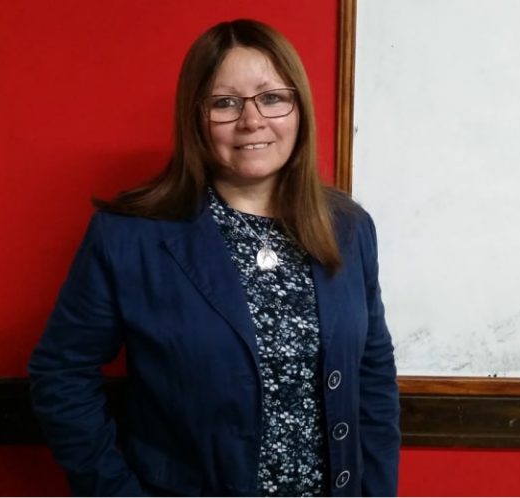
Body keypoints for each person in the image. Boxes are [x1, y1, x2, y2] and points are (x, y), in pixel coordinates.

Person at [28, 19, 400, 497]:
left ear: (299, 109)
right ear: (195, 118)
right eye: (225, 103)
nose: (252, 120)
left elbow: (372, 371)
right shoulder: (128, 236)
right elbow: (61, 375)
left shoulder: (348, 227)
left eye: (272, 97)